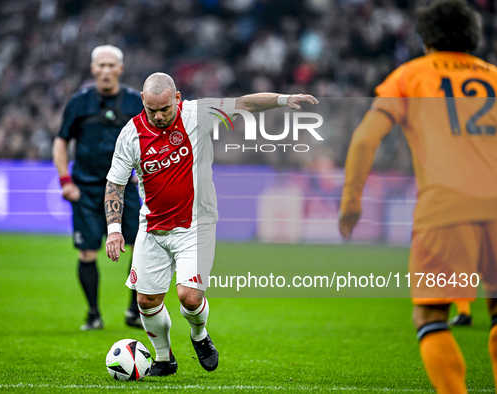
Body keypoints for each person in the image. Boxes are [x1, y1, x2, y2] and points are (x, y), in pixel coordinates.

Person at [104, 72, 318, 376]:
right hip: (152, 229)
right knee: (146, 300)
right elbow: (115, 184)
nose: (160, 116)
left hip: (196, 224)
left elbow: (246, 104)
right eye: (153, 110)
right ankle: (164, 359)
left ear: (177, 98)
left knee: (189, 297)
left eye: (165, 108)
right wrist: (114, 230)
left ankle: (200, 336)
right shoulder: (130, 135)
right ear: (143, 101)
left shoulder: (197, 114)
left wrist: (284, 100)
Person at [338, 0, 497, 392]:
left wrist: (352, 199)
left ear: (425, 38)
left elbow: (365, 138)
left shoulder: (410, 76)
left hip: (445, 207)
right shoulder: (494, 76)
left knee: (430, 315)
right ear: (474, 37)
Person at [52, 45, 143, 331]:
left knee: (140, 249)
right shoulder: (79, 103)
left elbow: (150, 138)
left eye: (110, 65)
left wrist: (143, 171)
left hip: (124, 188)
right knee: (87, 252)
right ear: (93, 69)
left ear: (120, 69)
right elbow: (60, 141)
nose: (105, 71)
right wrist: (65, 180)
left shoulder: (133, 102)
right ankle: (93, 314)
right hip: (87, 189)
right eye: (100, 66)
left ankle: (134, 311)